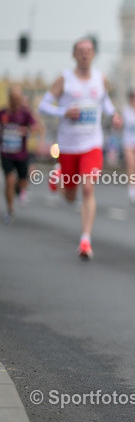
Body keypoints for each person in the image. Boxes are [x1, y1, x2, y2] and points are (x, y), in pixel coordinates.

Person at [38, 36, 122, 259]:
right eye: (81, 50)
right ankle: (58, 176)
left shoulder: (100, 78)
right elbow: (43, 105)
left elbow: (105, 102)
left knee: (88, 188)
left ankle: (85, 240)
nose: (85, 54)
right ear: (74, 55)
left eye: (89, 50)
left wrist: (113, 115)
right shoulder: (64, 80)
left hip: (92, 144)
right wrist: (62, 112)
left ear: (93, 55)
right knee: (70, 196)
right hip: (68, 146)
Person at [1, 85, 44, 223]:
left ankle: (19, 188)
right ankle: (10, 210)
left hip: (21, 154)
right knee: (8, 180)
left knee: (23, 180)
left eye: (18, 99)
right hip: (6, 153)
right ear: (10, 99)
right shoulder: (3, 113)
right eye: (13, 99)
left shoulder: (25, 113)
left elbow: (35, 127)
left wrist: (26, 130)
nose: (15, 102)